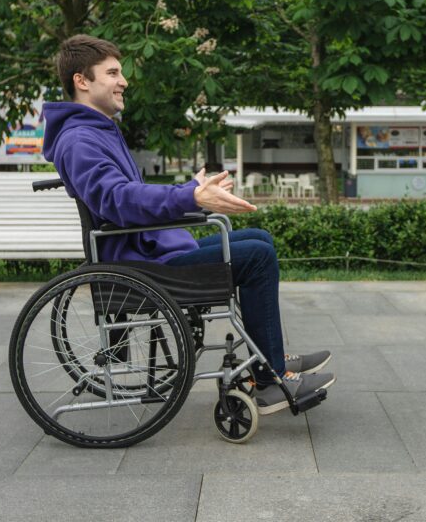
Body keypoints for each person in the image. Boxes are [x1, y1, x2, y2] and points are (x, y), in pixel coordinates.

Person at [42, 34, 335, 415]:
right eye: (113, 72)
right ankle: (269, 378)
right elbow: (118, 201)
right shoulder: (81, 139)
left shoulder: (96, 131)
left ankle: (269, 359)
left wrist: (190, 192)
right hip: (139, 264)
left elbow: (127, 194)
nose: (124, 81)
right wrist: (190, 197)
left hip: (146, 252)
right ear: (82, 81)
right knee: (257, 257)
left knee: (257, 239)